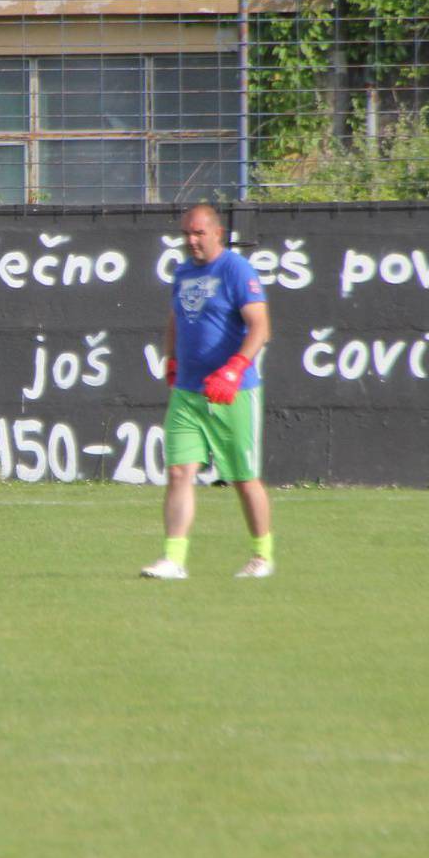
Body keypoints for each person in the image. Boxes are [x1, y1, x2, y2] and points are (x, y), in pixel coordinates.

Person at [141, 203, 275, 581]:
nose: (192, 240)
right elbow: (175, 316)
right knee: (180, 471)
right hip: (188, 391)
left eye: (199, 233)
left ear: (218, 233)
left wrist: (234, 370)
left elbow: (260, 327)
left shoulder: (236, 269)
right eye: (187, 233)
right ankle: (173, 558)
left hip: (231, 393)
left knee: (243, 477)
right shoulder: (183, 272)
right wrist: (171, 359)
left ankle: (262, 555)